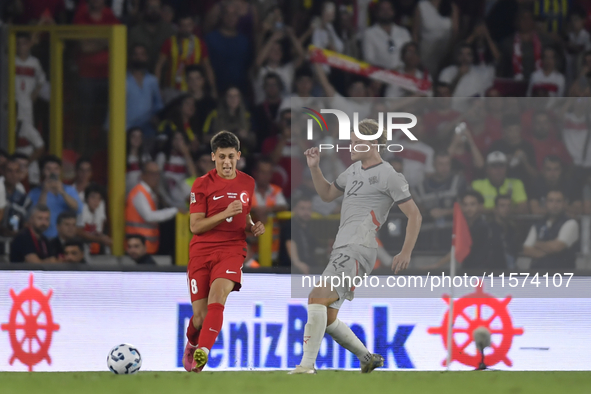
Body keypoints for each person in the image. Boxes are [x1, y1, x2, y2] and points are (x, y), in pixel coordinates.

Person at [290, 118, 422, 374]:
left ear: (373, 144)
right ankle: (367, 357)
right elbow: (327, 195)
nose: (350, 146)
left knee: (316, 298)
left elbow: (415, 215)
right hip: (343, 246)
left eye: (357, 142)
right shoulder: (352, 171)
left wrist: (405, 251)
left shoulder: (389, 175)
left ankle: (306, 366)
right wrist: (315, 168)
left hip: (358, 246)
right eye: (350, 141)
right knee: (326, 317)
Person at [183, 131, 265, 372]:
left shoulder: (248, 182)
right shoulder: (201, 184)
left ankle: (203, 353)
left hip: (232, 249)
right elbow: (195, 226)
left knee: (217, 298)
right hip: (201, 252)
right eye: (221, 157)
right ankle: (192, 342)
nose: (226, 162)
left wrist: (252, 227)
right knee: (199, 318)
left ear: (238, 155)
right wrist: (225, 213)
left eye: (231, 156)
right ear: (213, 157)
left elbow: (244, 215)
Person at [431, 190, 497, 270]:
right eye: (465, 205)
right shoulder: (466, 225)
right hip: (469, 271)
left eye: (472, 204)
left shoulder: (482, 227)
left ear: (480, 206)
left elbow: (460, 249)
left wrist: (437, 265)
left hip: (483, 273)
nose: (468, 208)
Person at [155, 14, 216, 98]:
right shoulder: (169, 42)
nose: (186, 29)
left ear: (193, 26)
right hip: (172, 90)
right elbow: (159, 65)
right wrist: (156, 88)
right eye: (183, 25)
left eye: (188, 25)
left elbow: (207, 67)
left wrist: (213, 88)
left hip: (193, 90)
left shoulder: (200, 44)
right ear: (178, 27)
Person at [125, 161, 179, 254]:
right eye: (152, 173)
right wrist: (175, 211)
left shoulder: (150, 193)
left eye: (157, 173)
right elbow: (149, 216)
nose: (156, 177)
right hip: (137, 249)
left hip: (146, 247)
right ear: (143, 175)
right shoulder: (139, 193)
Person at [27, 155, 82, 238]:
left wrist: (62, 192)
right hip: (43, 237)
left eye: (56, 169)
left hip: (65, 238)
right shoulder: (34, 193)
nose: (53, 172)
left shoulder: (70, 190)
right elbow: (35, 215)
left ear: (60, 171)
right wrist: (44, 192)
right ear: (42, 171)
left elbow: (78, 209)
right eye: (48, 169)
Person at [523, 189, 579, 270]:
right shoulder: (538, 224)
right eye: (551, 201)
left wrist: (536, 244)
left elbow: (557, 247)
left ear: (564, 203)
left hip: (563, 276)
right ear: (546, 203)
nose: (554, 204)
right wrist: (550, 250)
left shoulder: (571, 223)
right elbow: (526, 250)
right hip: (538, 276)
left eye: (558, 201)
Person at [205, 2, 251, 94]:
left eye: (234, 14)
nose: (231, 17)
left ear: (238, 17)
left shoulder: (244, 41)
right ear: (221, 16)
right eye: (227, 13)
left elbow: (249, 68)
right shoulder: (210, 39)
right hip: (216, 91)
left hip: (240, 93)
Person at [250, 158, 289, 262]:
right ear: (255, 173)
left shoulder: (275, 190)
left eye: (268, 173)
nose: (265, 176)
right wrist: (254, 210)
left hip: (273, 248)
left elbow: (284, 206)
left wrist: (267, 210)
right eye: (262, 172)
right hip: (250, 247)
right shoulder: (246, 189)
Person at [438, 42, 494, 111]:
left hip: (473, 113)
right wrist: (459, 76)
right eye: (461, 54)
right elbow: (443, 95)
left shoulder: (480, 72)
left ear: (472, 57)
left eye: (468, 54)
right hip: (453, 112)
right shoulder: (447, 71)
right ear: (457, 56)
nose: (464, 58)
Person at [412, 0, 459, 78]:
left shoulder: (452, 7)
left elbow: (455, 31)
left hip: (445, 54)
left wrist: (449, 52)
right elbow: (415, 33)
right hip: (425, 54)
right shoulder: (421, 6)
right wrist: (416, 55)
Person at [126, 43, 164, 139]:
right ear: (130, 57)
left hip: (147, 129)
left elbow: (158, 104)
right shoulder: (122, 79)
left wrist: (156, 120)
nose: (139, 57)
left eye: (142, 54)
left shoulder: (153, 80)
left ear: (147, 57)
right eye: (136, 54)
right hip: (126, 128)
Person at [127, 0, 175, 73]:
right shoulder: (134, 32)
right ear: (145, 9)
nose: (154, 10)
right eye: (150, 7)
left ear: (160, 9)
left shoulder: (170, 31)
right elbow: (128, 57)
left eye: (156, 7)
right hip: (139, 77)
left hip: (165, 78)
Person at [362, 0, 412, 70]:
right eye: (383, 9)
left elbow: (411, 55)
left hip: (403, 75)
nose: (386, 12)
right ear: (377, 13)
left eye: (389, 9)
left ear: (393, 12)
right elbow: (368, 59)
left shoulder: (404, 32)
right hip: (380, 76)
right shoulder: (369, 34)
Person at [489, 114, 537, 185]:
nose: (514, 134)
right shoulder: (497, 146)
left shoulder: (527, 147)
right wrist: (503, 161)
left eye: (516, 130)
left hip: (524, 185)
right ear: (504, 131)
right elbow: (488, 171)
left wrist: (525, 162)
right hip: (501, 185)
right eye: (510, 130)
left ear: (520, 129)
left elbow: (535, 175)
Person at [278, 195, 318, 273]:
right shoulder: (290, 225)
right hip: (289, 271)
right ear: (294, 209)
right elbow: (290, 243)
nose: (306, 212)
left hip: (305, 268)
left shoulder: (308, 228)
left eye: (309, 209)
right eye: (302, 208)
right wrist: (297, 263)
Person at [15, 32, 46, 124]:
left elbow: (42, 79)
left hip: (29, 100)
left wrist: (36, 93)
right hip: (14, 100)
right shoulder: (11, 61)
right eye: (18, 44)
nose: (21, 47)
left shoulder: (34, 62)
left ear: (29, 45)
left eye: (24, 43)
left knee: (31, 125)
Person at [0, 158, 31, 236]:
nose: (13, 175)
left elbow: (26, 222)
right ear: (3, 172)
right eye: (9, 171)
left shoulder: (24, 198)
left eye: (17, 171)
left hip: (14, 240)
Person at [77, 184, 111, 254]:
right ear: (86, 198)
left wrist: (104, 238)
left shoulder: (100, 208)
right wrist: (100, 239)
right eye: (93, 198)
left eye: (99, 198)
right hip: (80, 245)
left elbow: (99, 231)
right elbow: (79, 232)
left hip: (92, 245)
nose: (96, 201)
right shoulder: (82, 209)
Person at [490, 194, 520, 270]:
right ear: (495, 209)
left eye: (509, 206)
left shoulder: (513, 229)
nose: (506, 209)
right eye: (502, 206)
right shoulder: (488, 229)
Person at [126, 127, 152, 195]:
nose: (136, 139)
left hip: (143, 195)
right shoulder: (124, 158)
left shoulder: (146, 157)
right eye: (133, 136)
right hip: (127, 196)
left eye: (139, 136)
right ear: (128, 138)